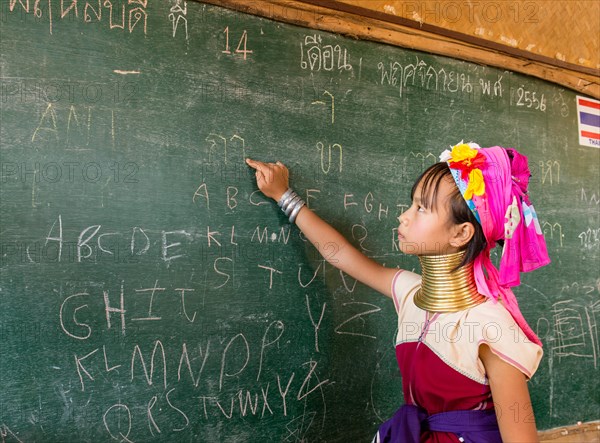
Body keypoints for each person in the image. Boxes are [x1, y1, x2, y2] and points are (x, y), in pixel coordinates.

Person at [245, 141, 550, 443]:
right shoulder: (410, 292)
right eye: (411, 204)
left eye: (421, 208)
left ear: (461, 233)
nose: (404, 216)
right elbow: (339, 255)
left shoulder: (491, 326)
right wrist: (284, 196)